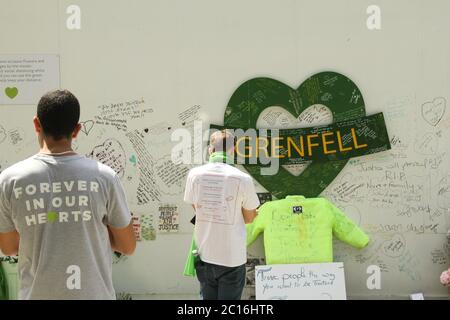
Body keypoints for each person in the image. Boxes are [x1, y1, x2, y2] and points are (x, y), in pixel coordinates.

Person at [0, 90, 136, 300]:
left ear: (37, 124)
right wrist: (98, 230)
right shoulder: (105, 177)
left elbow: (9, 248)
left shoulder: (10, 180)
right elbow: (127, 246)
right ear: (77, 130)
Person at [183, 129, 260, 300]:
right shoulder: (243, 178)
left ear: (211, 149)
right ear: (233, 150)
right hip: (232, 258)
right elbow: (249, 218)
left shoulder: (194, 175)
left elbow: (198, 208)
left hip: (204, 254)